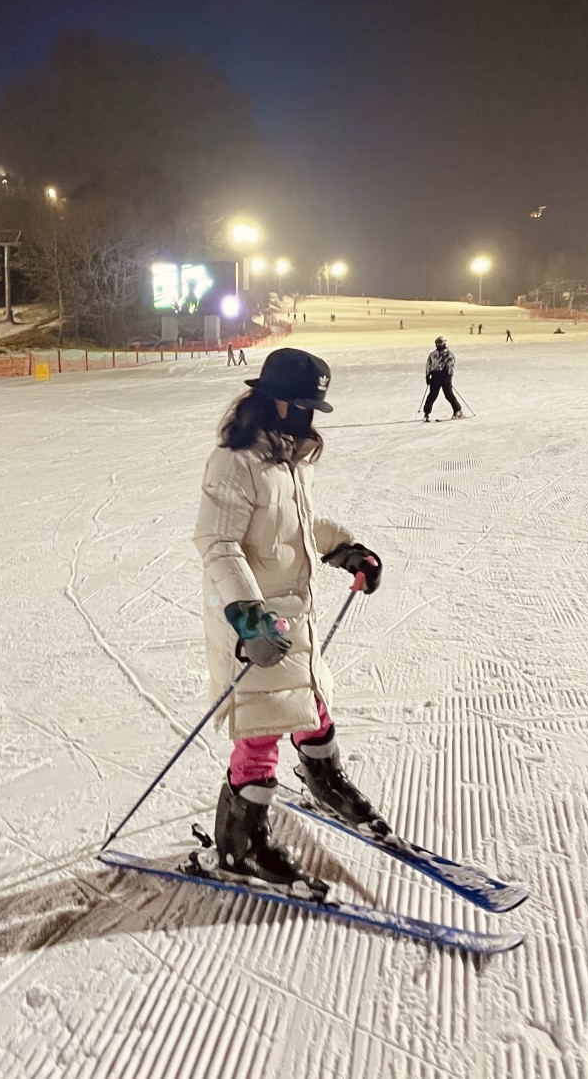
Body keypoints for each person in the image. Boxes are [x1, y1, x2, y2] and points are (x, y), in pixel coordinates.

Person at [193, 348, 385, 887]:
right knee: (262, 727)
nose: (309, 416)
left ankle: (325, 781)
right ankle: (240, 843)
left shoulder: (286, 459)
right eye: (301, 405)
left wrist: (343, 547)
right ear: (275, 402)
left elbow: (295, 524)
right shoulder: (235, 462)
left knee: (311, 699)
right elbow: (218, 543)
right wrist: (249, 621)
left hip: (293, 615)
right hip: (254, 622)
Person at [424, 336, 463, 420]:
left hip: (445, 376)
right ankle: (426, 413)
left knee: (448, 395)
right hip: (435, 376)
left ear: (444, 343)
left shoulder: (448, 354)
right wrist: (427, 376)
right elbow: (428, 365)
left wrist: (448, 376)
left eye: (440, 343)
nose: (438, 345)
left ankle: (458, 410)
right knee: (432, 395)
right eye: (437, 343)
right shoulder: (432, 354)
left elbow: (451, 366)